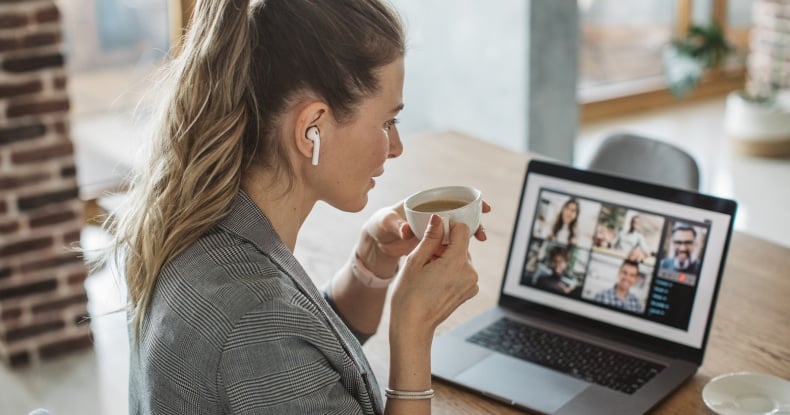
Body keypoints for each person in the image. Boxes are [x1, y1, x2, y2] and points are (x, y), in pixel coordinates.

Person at [101, 1, 489, 414]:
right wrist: (413, 328)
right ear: (311, 129)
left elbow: (299, 363)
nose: (396, 147)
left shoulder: (203, 223)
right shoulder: (256, 320)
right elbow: (268, 338)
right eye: (387, 123)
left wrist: (370, 265)